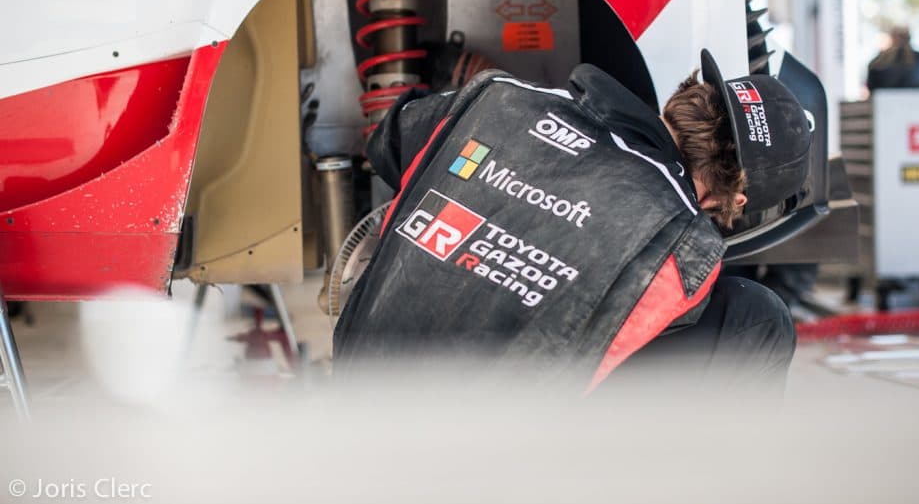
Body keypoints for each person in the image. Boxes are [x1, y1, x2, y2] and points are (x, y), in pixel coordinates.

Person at [332, 51, 811, 393]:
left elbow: (391, 142)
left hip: (359, 386)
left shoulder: (498, 98)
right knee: (760, 318)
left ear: (686, 99)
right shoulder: (681, 244)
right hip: (481, 463)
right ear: (736, 198)